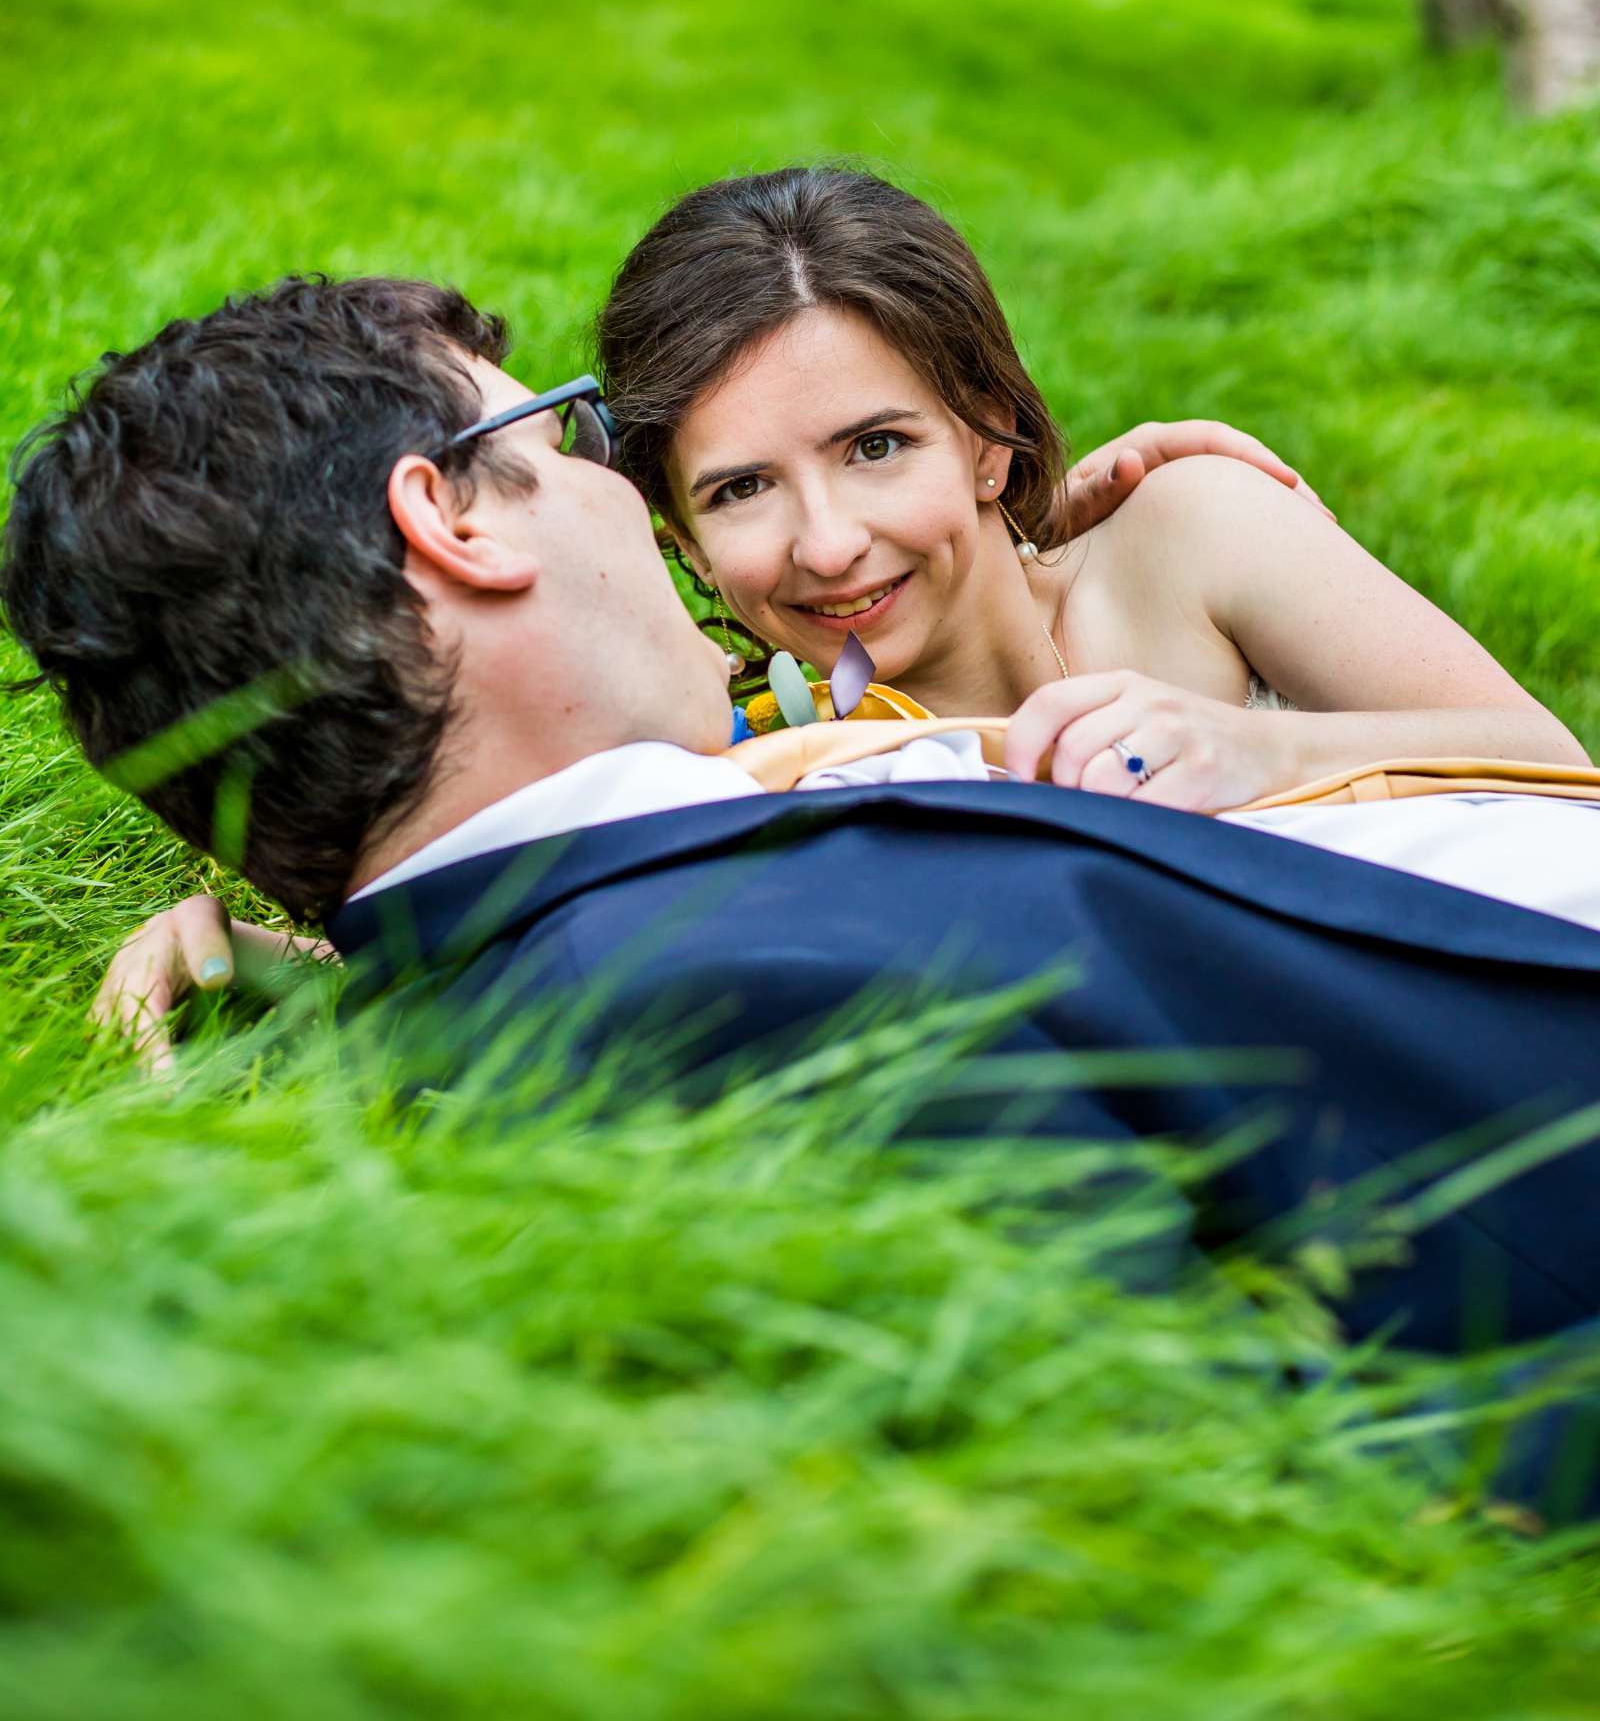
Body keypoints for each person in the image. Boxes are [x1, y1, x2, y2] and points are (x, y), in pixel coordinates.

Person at [6, 275, 1600, 1378]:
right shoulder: (748, 994)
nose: (628, 507)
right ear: (454, 523)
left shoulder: (684, 853)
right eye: (561, 443)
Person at [594, 167, 1587, 808]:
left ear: (990, 432)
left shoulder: (1188, 536)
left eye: (876, 448)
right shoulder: (731, 758)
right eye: (740, 491)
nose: (826, 544)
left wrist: (1258, 753)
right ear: (682, 542)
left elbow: (1555, 772)